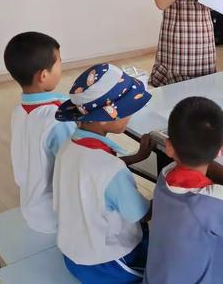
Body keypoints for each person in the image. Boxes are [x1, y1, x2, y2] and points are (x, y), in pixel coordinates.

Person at [144, 96, 223, 284]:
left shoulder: (165, 175)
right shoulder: (213, 200)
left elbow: (205, 165)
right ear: (220, 149)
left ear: (169, 148)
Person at [53, 64, 153, 283]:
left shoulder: (67, 148)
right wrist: (169, 192)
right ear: (105, 118)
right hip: (109, 265)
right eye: (128, 109)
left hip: (72, 255)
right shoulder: (111, 170)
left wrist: (135, 158)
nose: (131, 114)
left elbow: (91, 176)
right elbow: (142, 214)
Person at [3, 32, 76, 234]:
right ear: (43, 75)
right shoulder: (57, 119)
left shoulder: (19, 111)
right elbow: (76, 168)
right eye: (60, 62)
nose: (62, 66)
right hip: (58, 215)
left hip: (31, 206)